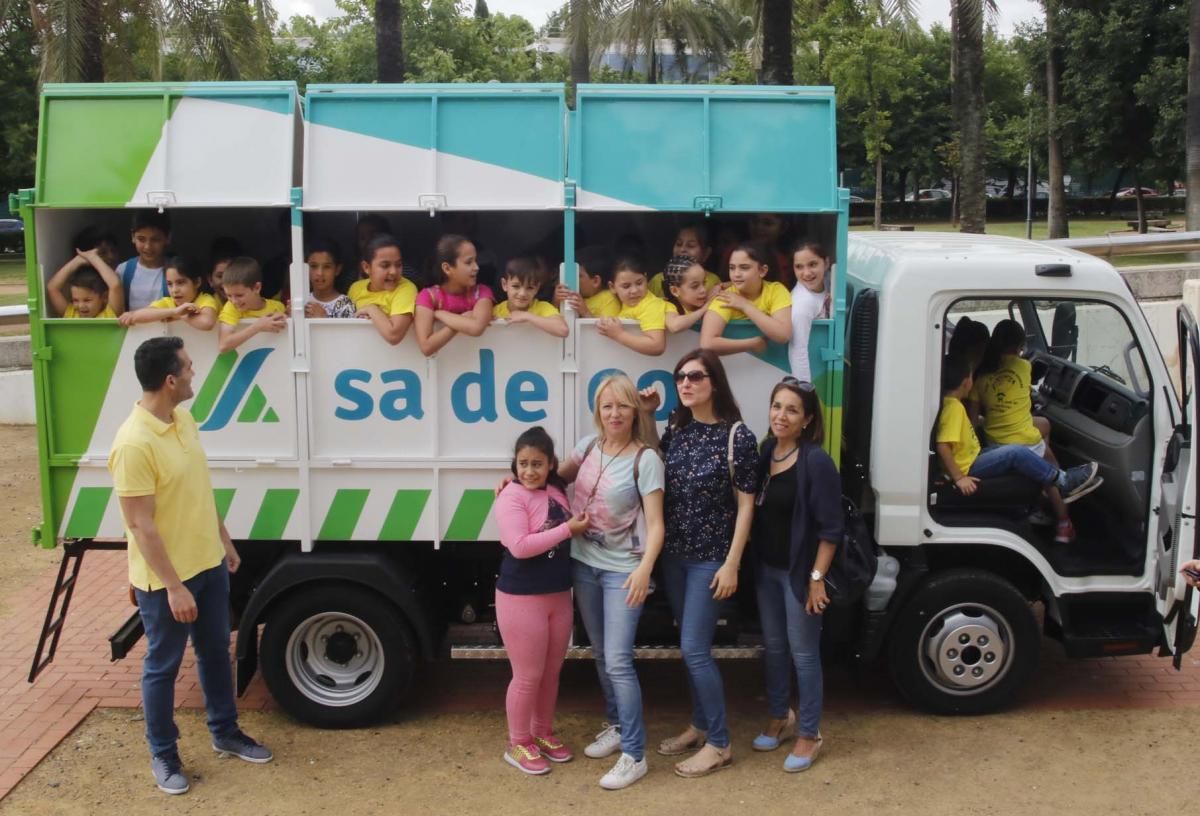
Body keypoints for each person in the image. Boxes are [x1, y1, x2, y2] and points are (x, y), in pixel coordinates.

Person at [107, 336, 271, 795]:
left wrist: (223, 540)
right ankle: (163, 752)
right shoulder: (133, 444)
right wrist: (172, 586)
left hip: (209, 565)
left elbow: (199, 487)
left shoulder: (183, 418)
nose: (195, 373)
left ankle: (225, 732)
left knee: (216, 651)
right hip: (168, 582)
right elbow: (141, 526)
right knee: (162, 665)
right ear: (170, 380)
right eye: (189, 367)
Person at [640, 349, 758, 777]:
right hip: (675, 558)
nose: (685, 384)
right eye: (680, 377)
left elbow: (747, 507)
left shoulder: (737, 436)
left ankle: (721, 743)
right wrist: (651, 416)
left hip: (711, 561)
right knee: (691, 650)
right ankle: (699, 725)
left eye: (695, 377)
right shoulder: (679, 429)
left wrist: (732, 564)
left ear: (715, 383)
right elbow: (652, 463)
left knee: (694, 649)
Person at [559, 374, 665, 790]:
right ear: (598, 411)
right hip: (584, 564)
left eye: (623, 405)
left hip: (623, 570)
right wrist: (514, 481)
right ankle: (618, 726)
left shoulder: (646, 459)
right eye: (607, 406)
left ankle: (635, 754)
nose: (615, 413)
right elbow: (553, 477)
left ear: (634, 410)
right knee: (602, 654)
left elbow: (657, 525)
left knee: (619, 661)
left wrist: (644, 570)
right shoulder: (587, 447)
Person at [749, 377, 840, 772]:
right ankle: (779, 716)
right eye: (776, 406)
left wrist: (817, 577)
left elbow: (831, 529)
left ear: (806, 420)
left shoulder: (815, 461)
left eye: (791, 410)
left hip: (798, 574)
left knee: (804, 654)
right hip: (766, 570)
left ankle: (809, 733)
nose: (780, 415)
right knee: (774, 647)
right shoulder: (767, 450)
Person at [492, 427, 590, 775]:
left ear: (551, 465)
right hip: (521, 597)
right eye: (523, 463)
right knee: (527, 676)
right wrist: (568, 530)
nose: (529, 471)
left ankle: (542, 733)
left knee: (551, 674)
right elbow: (519, 545)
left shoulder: (556, 488)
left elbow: (588, 448)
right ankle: (518, 743)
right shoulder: (511, 496)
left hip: (558, 595)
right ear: (514, 464)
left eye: (537, 463)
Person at [937, 355, 1102, 501]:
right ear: (966, 382)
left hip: (972, 457)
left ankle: (1048, 491)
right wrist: (958, 478)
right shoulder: (954, 409)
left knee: (1009, 450)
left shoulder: (950, 404)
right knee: (1016, 452)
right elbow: (942, 444)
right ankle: (1063, 481)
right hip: (968, 467)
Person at [968, 319, 1075, 542]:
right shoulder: (1024, 367)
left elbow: (973, 418)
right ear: (1020, 346)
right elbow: (1025, 401)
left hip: (996, 441)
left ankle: (1041, 502)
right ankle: (1063, 520)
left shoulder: (980, 377)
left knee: (1044, 426)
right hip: (1024, 443)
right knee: (1048, 460)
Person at [701, 241, 793, 356]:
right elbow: (707, 344)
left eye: (744, 268)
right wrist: (751, 344)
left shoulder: (776, 290)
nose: (736, 274)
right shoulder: (725, 297)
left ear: (762, 271)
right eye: (732, 268)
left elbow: (783, 335)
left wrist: (745, 306)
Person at [414, 234, 494, 356]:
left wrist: (440, 314)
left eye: (475, 261)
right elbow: (426, 347)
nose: (476, 267)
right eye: (468, 262)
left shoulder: (482, 292)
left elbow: (477, 328)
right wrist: (461, 320)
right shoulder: (427, 296)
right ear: (447, 268)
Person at [349, 234, 417, 344]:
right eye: (385, 265)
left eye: (398, 265)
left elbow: (394, 335)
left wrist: (371, 309)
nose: (393, 271)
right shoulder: (355, 288)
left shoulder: (406, 289)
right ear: (366, 267)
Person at [119, 257, 219, 330]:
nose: (174, 290)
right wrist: (174, 312)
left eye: (180, 283)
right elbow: (136, 316)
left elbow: (207, 323)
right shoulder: (167, 302)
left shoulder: (205, 300)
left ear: (197, 282)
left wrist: (182, 315)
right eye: (169, 284)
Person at [596, 257, 669, 356]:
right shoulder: (623, 304)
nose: (634, 290)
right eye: (626, 286)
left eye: (639, 283)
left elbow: (657, 346)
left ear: (646, 279)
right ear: (612, 287)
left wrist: (619, 334)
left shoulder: (651, 305)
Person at [217, 257, 287, 353]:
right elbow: (223, 345)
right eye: (229, 295)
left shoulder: (278, 307)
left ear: (257, 288)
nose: (233, 301)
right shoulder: (231, 307)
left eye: (239, 295)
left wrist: (290, 314)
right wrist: (258, 326)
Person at [788, 242, 832, 383]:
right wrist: (804, 390)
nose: (806, 273)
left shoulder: (830, 280)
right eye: (799, 267)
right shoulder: (802, 302)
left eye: (812, 264)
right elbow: (797, 349)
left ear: (826, 263)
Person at [493, 257, 568, 338]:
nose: (522, 293)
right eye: (516, 286)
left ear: (537, 288)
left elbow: (563, 330)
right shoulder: (496, 311)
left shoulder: (543, 307)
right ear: (504, 285)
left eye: (529, 288)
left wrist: (527, 316)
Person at [116, 210, 171, 310]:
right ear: (133, 237)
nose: (147, 247)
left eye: (155, 240)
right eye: (141, 239)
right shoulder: (123, 270)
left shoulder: (175, 270)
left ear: (167, 238)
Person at [46, 248, 124, 318]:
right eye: (75, 300)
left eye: (87, 300)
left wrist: (93, 258)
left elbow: (115, 285)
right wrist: (77, 261)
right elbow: (52, 288)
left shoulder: (110, 314)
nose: (81, 306)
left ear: (104, 297)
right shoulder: (72, 314)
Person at [648, 224, 720, 299]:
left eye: (691, 246)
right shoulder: (657, 281)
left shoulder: (713, 281)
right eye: (679, 244)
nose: (682, 249)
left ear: (706, 253)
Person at [555, 246, 619, 318]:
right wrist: (557, 301)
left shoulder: (609, 299)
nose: (573, 280)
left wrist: (585, 313)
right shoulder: (577, 296)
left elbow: (608, 328)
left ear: (595, 281)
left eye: (578, 276)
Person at [661, 255, 718, 334]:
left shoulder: (709, 301)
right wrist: (704, 309)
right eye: (695, 286)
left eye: (704, 283)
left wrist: (721, 285)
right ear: (675, 291)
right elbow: (674, 326)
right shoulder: (667, 306)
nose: (703, 290)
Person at [303, 239, 355, 319]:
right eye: (313, 266)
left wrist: (324, 319)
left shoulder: (345, 305)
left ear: (337, 270)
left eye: (327, 267)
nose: (320, 273)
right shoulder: (302, 302)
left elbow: (349, 331)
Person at [207, 237, 242, 309]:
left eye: (233, 274)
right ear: (210, 280)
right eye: (220, 276)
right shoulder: (206, 307)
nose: (227, 281)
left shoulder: (254, 304)